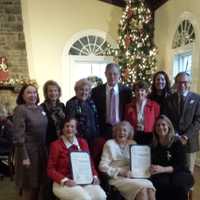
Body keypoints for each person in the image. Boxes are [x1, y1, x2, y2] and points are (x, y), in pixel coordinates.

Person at [47, 118, 106, 200]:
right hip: (63, 182)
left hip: (84, 180)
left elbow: (90, 164)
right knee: (85, 198)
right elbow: (50, 170)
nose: (69, 129)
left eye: (72, 126)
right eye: (67, 126)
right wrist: (65, 180)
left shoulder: (83, 142)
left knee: (101, 196)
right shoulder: (55, 145)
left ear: (76, 130)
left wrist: (95, 176)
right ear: (62, 129)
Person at [99, 121, 155, 200]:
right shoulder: (109, 144)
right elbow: (102, 166)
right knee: (142, 189)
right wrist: (120, 171)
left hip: (133, 176)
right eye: (119, 130)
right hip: (117, 177)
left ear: (129, 133)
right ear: (115, 132)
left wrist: (145, 169)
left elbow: (139, 163)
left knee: (149, 187)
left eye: (124, 130)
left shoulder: (133, 143)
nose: (122, 132)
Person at [12, 84, 48, 200]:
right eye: (29, 92)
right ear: (22, 95)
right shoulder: (20, 109)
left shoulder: (40, 108)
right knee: (29, 185)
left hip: (41, 150)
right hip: (28, 151)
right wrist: (24, 156)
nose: (32, 95)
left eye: (34, 92)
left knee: (39, 183)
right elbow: (18, 135)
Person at [150, 115, 194, 200]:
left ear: (169, 126)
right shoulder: (153, 144)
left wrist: (163, 169)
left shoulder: (177, 142)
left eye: (163, 124)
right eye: (157, 125)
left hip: (180, 172)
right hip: (162, 174)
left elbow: (181, 165)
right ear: (154, 128)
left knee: (178, 185)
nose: (160, 127)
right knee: (160, 184)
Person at [163, 72, 200, 173]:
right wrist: (174, 134)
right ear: (175, 83)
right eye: (179, 82)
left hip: (190, 140)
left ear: (189, 83)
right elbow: (166, 119)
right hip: (172, 139)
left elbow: (198, 120)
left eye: (185, 82)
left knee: (188, 169)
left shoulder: (197, 99)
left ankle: (188, 188)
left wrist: (186, 136)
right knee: (174, 166)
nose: (182, 85)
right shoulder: (169, 99)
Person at [91, 63, 132, 139]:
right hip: (103, 130)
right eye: (109, 74)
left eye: (115, 74)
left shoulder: (126, 91)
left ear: (119, 75)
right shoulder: (96, 91)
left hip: (121, 130)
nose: (112, 77)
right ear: (105, 74)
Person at [65, 78, 100, 150]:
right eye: (81, 89)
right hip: (78, 140)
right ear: (76, 90)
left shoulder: (91, 103)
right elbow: (71, 123)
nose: (84, 92)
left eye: (86, 90)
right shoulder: (71, 103)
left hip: (93, 138)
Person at [125, 81, 160, 145]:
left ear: (146, 92)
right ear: (134, 92)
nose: (139, 92)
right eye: (137, 90)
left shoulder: (154, 105)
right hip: (133, 136)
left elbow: (157, 123)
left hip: (149, 137)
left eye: (142, 90)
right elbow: (126, 123)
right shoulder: (128, 106)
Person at [41, 80, 65, 147]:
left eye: (55, 90)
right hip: (49, 142)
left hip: (63, 140)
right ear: (46, 93)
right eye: (50, 91)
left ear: (59, 92)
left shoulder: (62, 105)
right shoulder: (42, 107)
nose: (53, 93)